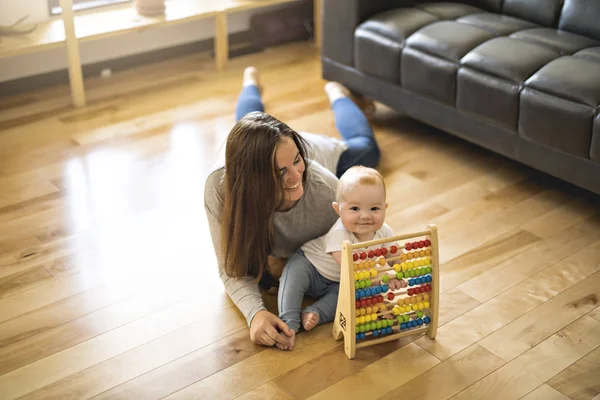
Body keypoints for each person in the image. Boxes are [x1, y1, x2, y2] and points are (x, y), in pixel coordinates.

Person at [204, 66, 381, 349]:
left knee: (366, 149)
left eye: (296, 163)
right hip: (258, 147)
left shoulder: (325, 192)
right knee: (246, 122)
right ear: (251, 180)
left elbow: (361, 241)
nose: (296, 178)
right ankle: (250, 80)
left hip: (319, 151)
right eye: (280, 172)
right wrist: (256, 313)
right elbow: (230, 268)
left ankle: (337, 93)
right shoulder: (220, 188)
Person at [276, 166, 404, 350]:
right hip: (309, 266)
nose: (365, 216)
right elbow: (353, 269)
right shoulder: (339, 234)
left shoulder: (384, 232)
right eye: (354, 208)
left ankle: (314, 313)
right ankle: (289, 325)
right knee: (292, 281)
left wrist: (398, 274)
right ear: (338, 209)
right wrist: (382, 279)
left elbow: (395, 256)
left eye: (374, 208)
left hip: (339, 282)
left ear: (385, 208)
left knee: (347, 300)